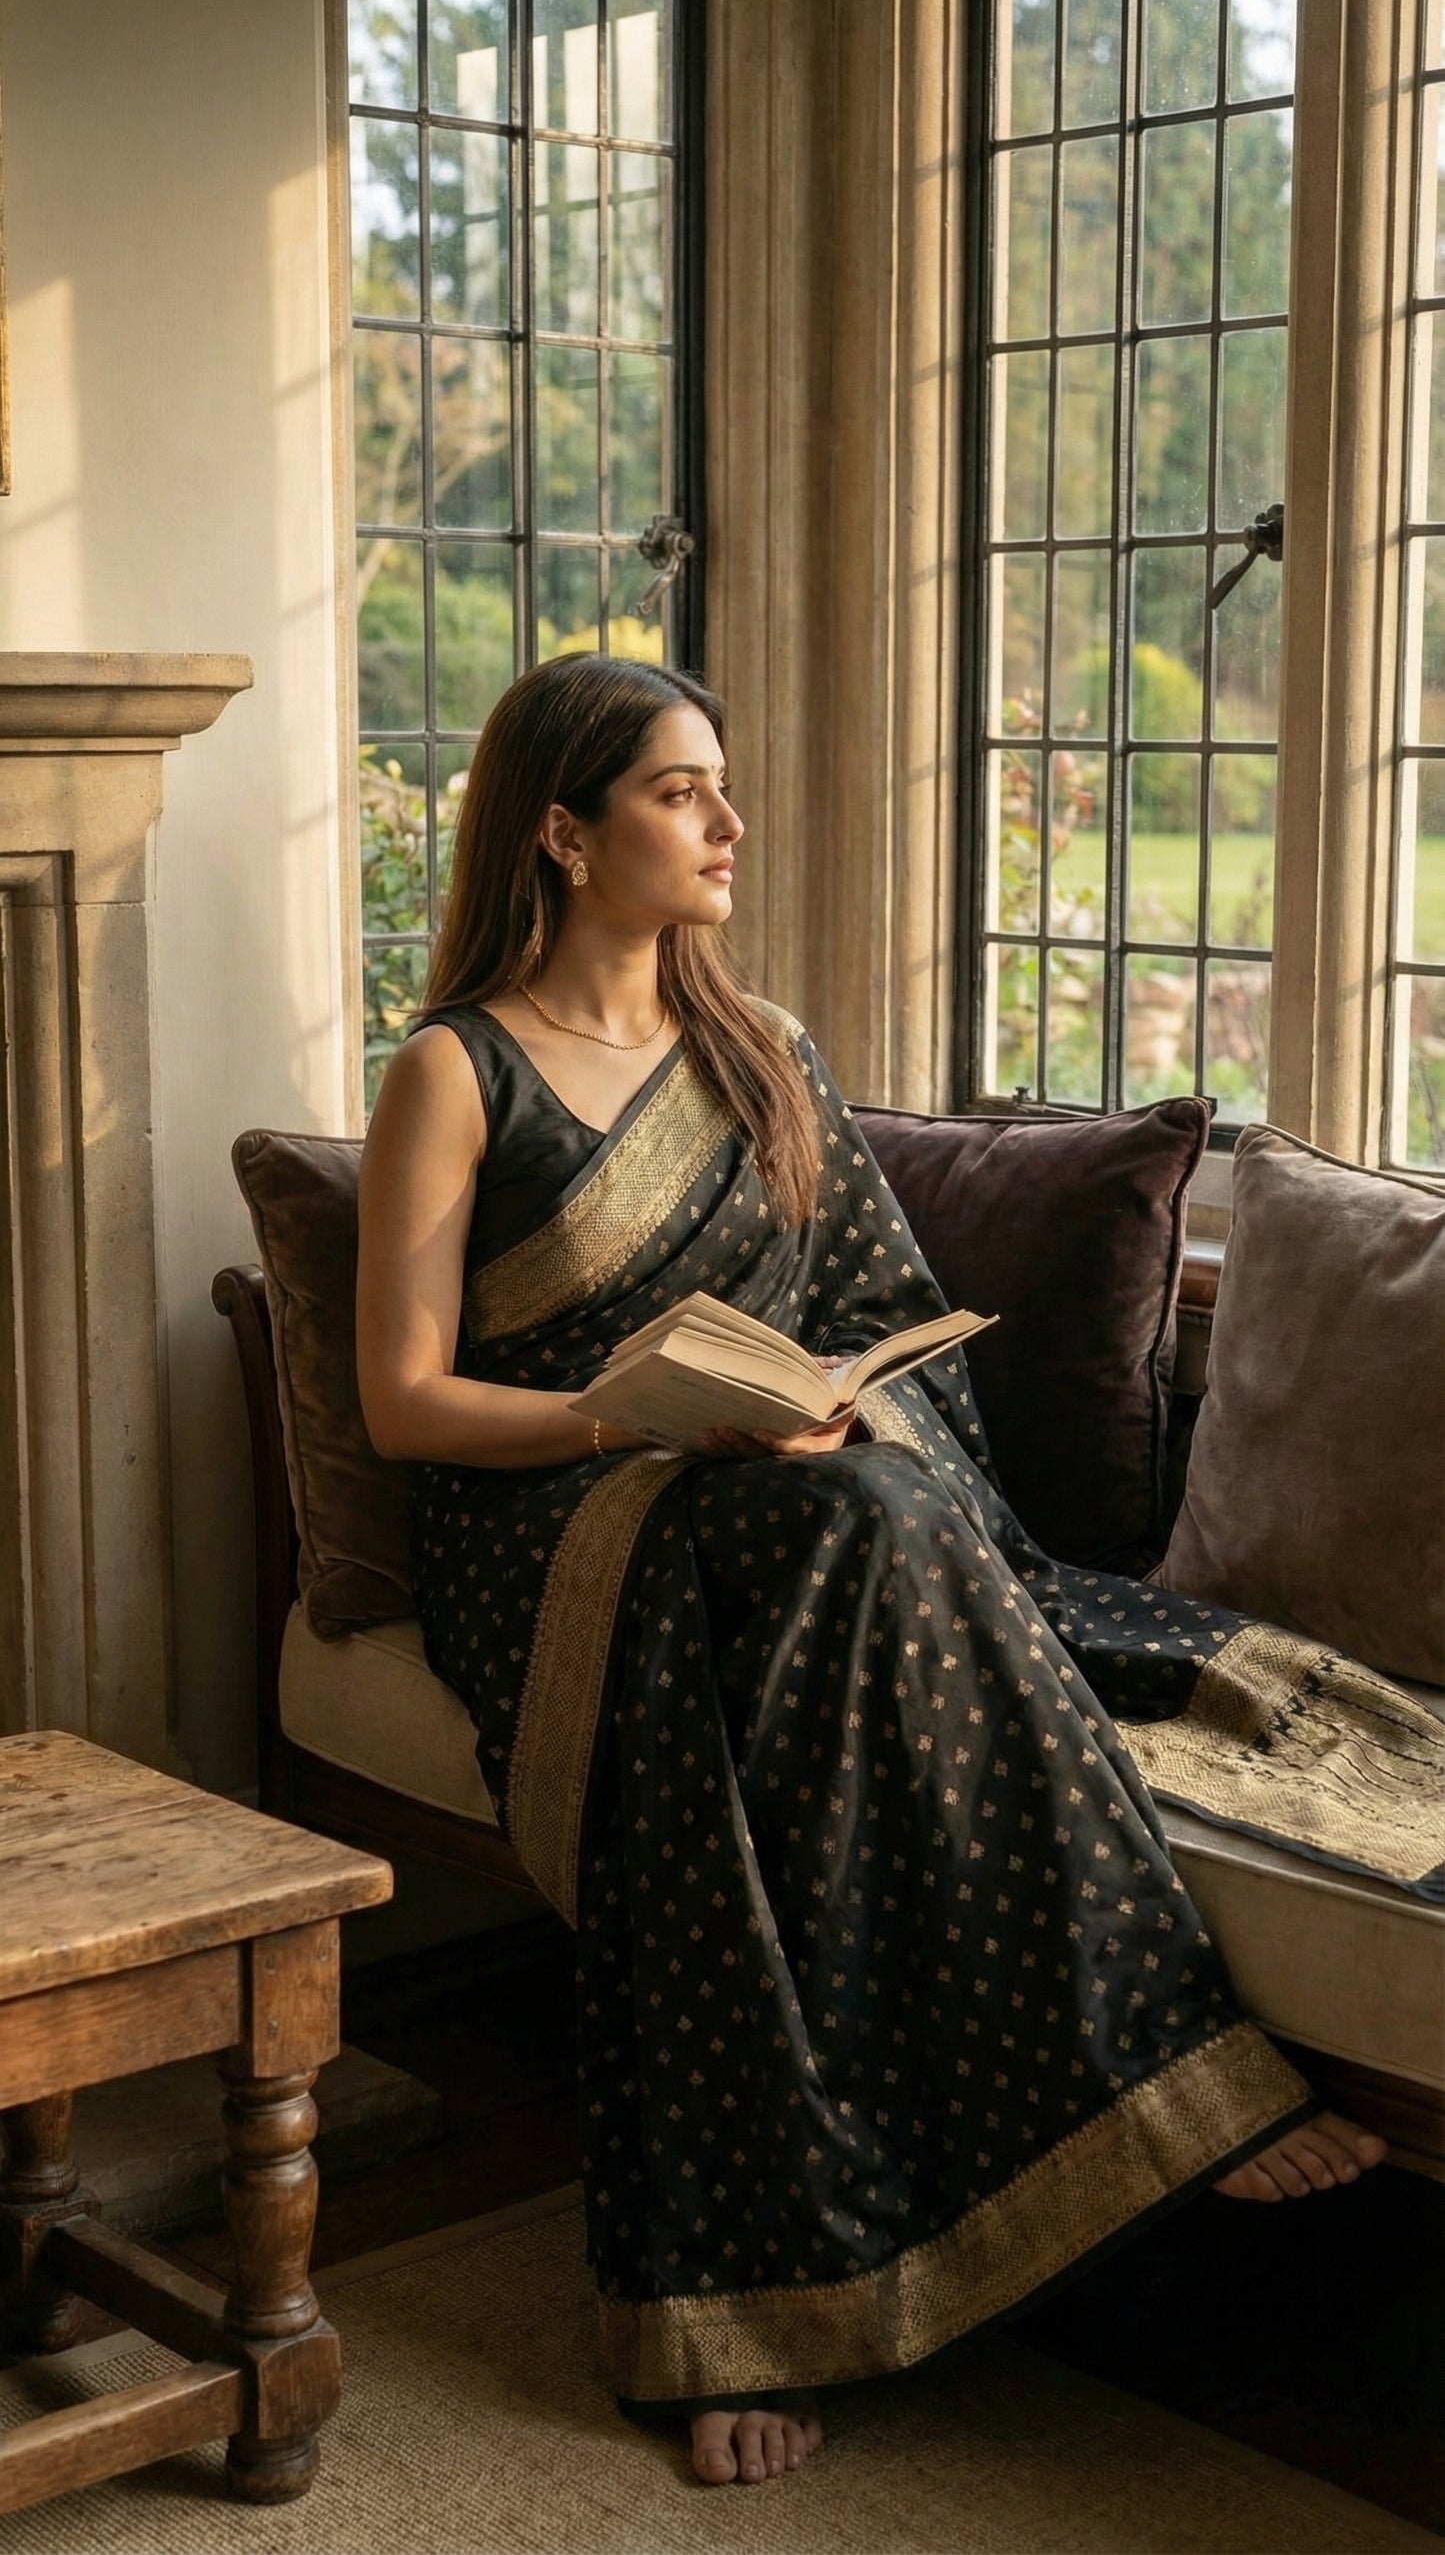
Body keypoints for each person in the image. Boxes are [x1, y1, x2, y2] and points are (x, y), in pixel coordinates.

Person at [357, 654, 1418, 2491]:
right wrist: (631, 1421)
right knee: (842, 1558)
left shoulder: (761, 1048)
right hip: (557, 1519)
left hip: (798, 1496)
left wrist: (830, 1409)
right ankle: (838, 2237)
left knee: (883, 1513)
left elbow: (867, 1313)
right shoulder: (456, 1071)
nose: (728, 824)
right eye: (681, 792)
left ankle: (895, 2213)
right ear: (559, 826)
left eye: (720, 785)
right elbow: (405, 1401)